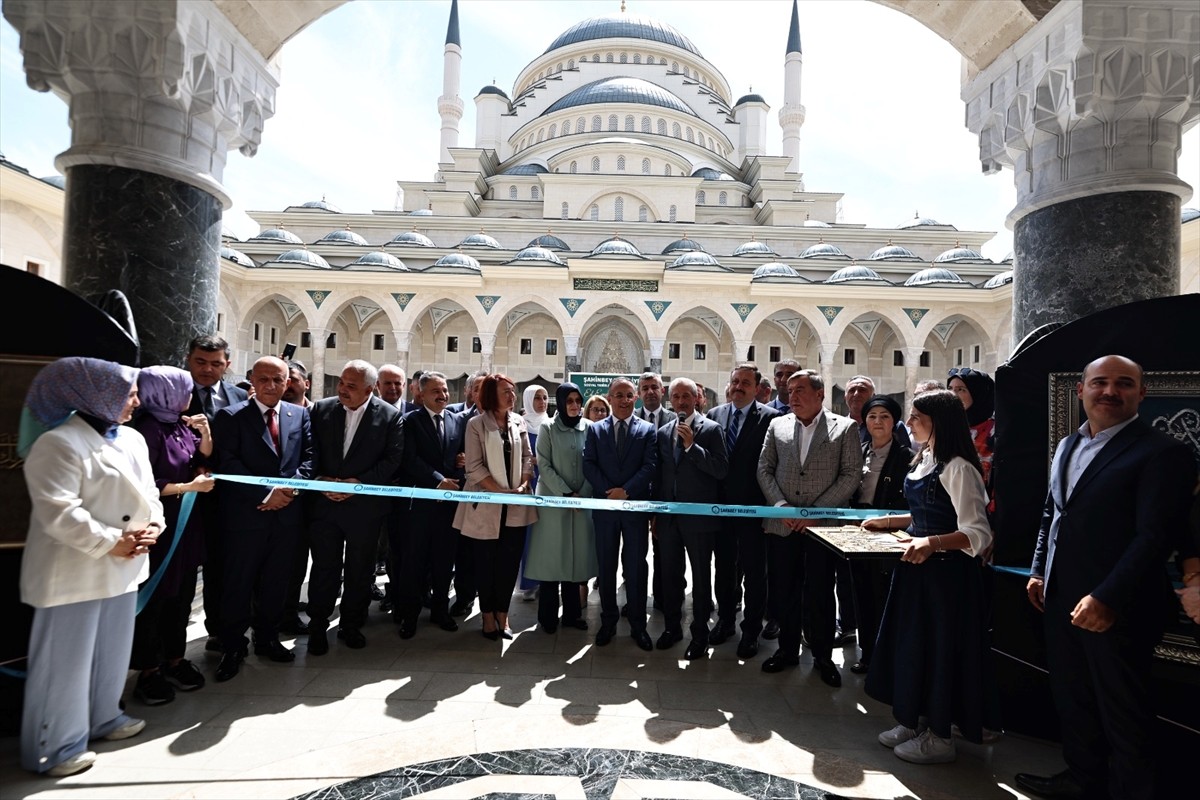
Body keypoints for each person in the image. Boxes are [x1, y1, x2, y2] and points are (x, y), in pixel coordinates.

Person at [1016, 356, 1195, 799]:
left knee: (1124, 712)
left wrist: (1108, 597)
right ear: (1081, 391)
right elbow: (1052, 515)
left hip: (1120, 606)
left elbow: (1155, 537)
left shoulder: (1162, 452)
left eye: (1123, 383)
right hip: (1061, 598)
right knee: (1074, 702)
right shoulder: (1067, 446)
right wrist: (1040, 570)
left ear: (1141, 393)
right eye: (1100, 383)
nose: (1109, 391)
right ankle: (1082, 781)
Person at [19, 357, 163, 776]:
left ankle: (105, 716)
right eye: (129, 393)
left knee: (111, 653)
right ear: (96, 396)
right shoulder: (58, 443)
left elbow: (149, 493)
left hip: (125, 565)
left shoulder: (132, 439)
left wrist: (153, 527)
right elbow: (58, 511)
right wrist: (111, 541)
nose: (136, 401)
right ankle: (55, 746)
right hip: (74, 570)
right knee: (64, 663)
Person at [861, 390, 993, 765]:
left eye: (918, 416)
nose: (911, 422)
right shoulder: (925, 460)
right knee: (913, 647)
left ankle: (940, 734)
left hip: (947, 581)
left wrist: (931, 542)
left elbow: (978, 533)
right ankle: (914, 718)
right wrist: (891, 522)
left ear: (940, 421)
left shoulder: (958, 468)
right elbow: (927, 511)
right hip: (917, 573)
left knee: (939, 651)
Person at [756, 369, 862, 687]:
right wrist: (782, 507)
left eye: (800, 390)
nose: (793, 396)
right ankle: (787, 651)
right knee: (784, 591)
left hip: (822, 526)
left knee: (819, 592)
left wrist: (815, 512)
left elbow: (850, 474)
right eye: (790, 391)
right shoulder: (777, 425)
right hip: (783, 525)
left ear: (820, 394)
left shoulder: (845, 428)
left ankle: (823, 657)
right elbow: (764, 468)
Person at [212, 356, 314, 682]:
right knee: (239, 583)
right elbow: (227, 462)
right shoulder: (229, 417)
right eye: (264, 379)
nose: (271, 386)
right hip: (247, 516)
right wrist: (267, 493)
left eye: (278, 380)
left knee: (276, 581)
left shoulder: (299, 415)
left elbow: (309, 459)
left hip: (287, 517)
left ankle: (267, 638)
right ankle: (232, 645)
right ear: (251, 380)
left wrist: (290, 491)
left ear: (288, 383)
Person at [305, 361, 405, 654]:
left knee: (360, 570)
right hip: (324, 506)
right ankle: (317, 627)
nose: (343, 390)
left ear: (370, 389)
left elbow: (392, 460)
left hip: (365, 508)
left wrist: (356, 484)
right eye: (341, 383)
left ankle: (351, 624)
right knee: (325, 568)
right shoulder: (322, 410)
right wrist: (322, 481)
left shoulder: (389, 417)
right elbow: (309, 451)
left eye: (351, 386)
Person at [129, 366, 214, 706]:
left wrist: (206, 434)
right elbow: (143, 484)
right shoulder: (147, 431)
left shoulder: (180, 424)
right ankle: (148, 670)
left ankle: (175, 659)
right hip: (160, 528)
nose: (191, 396)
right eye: (185, 390)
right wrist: (188, 487)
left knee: (180, 598)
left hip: (187, 523)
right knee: (155, 599)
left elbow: (200, 458)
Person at [452, 373, 536, 640]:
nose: (512, 396)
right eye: (505, 392)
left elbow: (528, 456)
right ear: (491, 394)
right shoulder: (476, 424)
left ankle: (504, 614)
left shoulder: (518, 420)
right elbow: (474, 467)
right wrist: (500, 492)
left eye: (513, 391)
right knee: (485, 563)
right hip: (486, 504)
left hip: (516, 503)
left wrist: (523, 484)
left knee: (509, 563)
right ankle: (488, 616)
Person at [706, 363, 781, 657]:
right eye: (735, 381)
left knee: (754, 572)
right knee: (723, 569)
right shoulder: (715, 415)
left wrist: (768, 510)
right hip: (721, 510)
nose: (739, 386)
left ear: (757, 388)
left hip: (754, 511)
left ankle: (751, 630)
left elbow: (773, 466)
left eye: (745, 383)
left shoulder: (772, 419)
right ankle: (725, 621)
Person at [654, 378, 729, 659]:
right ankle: (672, 628)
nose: (682, 401)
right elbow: (662, 476)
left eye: (687, 396)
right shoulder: (662, 432)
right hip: (669, 518)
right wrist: (657, 514)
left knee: (700, 578)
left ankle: (699, 635)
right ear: (670, 400)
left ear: (697, 398)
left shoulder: (711, 429)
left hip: (699, 520)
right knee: (670, 577)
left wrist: (691, 448)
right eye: (677, 396)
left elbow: (721, 469)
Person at [582, 377, 658, 650]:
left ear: (635, 398)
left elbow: (650, 466)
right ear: (609, 398)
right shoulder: (595, 429)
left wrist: (626, 491)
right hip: (605, 510)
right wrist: (608, 492)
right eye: (619, 395)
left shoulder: (647, 430)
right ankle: (608, 621)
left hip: (634, 509)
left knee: (636, 566)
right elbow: (588, 464)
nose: (624, 400)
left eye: (629, 395)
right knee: (606, 566)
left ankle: (638, 625)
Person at [184, 334, 249, 652]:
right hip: (185, 496)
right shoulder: (174, 395)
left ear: (227, 364)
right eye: (200, 362)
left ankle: (220, 629)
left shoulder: (240, 396)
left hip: (230, 498)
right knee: (183, 570)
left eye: (215, 363)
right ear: (189, 360)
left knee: (223, 565)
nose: (207, 370)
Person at [397, 371, 467, 638]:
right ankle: (409, 615)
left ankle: (440, 609)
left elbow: (459, 455)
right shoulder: (410, 421)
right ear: (421, 393)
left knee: (443, 561)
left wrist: (459, 467)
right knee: (414, 562)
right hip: (420, 507)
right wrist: (438, 480)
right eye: (436, 391)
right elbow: (410, 459)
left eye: (446, 390)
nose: (443, 395)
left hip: (448, 507)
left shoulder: (455, 420)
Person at [846, 395, 913, 675]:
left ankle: (887, 659)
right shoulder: (857, 451)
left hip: (889, 534)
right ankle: (868, 654)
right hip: (856, 534)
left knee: (883, 595)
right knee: (861, 593)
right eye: (872, 416)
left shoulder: (906, 458)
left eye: (884, 416)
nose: (877, 422)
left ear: (894, 421)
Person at [525, 382, 597, 633]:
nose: (575, 406)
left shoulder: (589, 428)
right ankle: (547, 618)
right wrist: (566, 493)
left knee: (575, 560)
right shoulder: (548, 428)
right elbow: (543, 464)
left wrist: (583, 494)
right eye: (570, 401)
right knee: (552, 559)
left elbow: (593, 464)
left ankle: (572, 615)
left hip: (581, 504)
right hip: (554, 503)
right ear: (562, 402)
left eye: (578, 401)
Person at [279, 359, 313, 635]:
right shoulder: (272, 415)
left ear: (306, 383)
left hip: (307, 504)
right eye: (284, 380)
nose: (288, 385)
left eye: (293, 379)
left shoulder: (321, 412)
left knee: (297, 563)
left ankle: (288, 611)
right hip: (271, 503)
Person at [516, 384, 549, 601]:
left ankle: (546, 579)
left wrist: (542, 461)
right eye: (537, 397)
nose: (542, 402)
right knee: (528, 536)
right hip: (525, 485)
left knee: (545, 535)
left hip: (547, 486)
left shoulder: (551, 425)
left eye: (545, 397)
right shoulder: (519, 425)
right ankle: (529, 583)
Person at [947, 367, 995, 489]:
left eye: (961, 390)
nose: (953, 394)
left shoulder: (994, 431)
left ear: (978, 394)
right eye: (950, 389)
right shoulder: (946, 426)